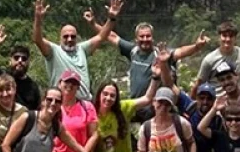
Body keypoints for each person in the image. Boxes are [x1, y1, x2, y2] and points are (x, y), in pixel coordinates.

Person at [81, 17, 209, 98]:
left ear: (152, 37)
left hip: (155, 108)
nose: (145, 39)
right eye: (142, 36)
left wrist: (197, 46)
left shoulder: (161, 54)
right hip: (136, 105)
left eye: (148, 36)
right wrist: (93, 24)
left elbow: (180, 52)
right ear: (136, 38)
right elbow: (111, 36)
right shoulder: (133, 51)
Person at [31, 0, 119, 101]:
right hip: (63, 104)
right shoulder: (53, 51)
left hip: (85, 103)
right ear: (60, 38)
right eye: (66, 36)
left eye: (73, 36)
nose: (69, 39)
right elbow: (37, 39)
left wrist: (112, 18)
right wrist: (38, 18)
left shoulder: (81, 49)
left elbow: (101, 36)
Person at [92, 70, 160, 152]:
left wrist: (155, 77)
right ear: (99, 94)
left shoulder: (123, 108)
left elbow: (147, 98)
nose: (108, 98)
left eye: (112, 95)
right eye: (105, 94)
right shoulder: (91, 113)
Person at [0, 24, 42, 110]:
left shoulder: (33, 87)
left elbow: (36, 112)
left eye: (24, 59)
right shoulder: (1, 76)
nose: (20, 61)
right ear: (10, 61)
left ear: (28, 63)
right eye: (16, 58)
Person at [135, 87, 197, 152]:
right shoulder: (145, 128)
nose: (163, 107)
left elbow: (191, 143)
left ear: (171, 106)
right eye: (160, 102)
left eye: (167, 104)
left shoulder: (181, 123)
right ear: (154, 102)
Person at [51, 70, 99, 152]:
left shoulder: (87, 107)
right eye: (66, 82)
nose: (70, 86)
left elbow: (94, 136)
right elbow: (45, 138)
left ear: (78, 87)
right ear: (59, 84)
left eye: (74, 83)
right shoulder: (52, 106)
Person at [177, 82, 223, 152]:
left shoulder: (217, 121)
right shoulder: (189, 113)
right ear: (197, 99)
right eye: (202, 98)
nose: (205, 102)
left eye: (209, 99)